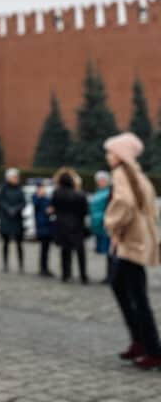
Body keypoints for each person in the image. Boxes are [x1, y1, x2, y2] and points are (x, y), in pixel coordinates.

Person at [103, 132, 161, 370]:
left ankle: (153, 349)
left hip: (129, 244)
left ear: (120, 154)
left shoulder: (121, 174)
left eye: (110, 151)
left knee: (137, 297)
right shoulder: (136, 174)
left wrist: (111, 223)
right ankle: (140, 341)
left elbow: (124, 204)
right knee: (122, 288)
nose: (107, 156)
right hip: (135, 243)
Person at [51, 169, 89, 283]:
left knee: (65, 252)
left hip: (62, 225)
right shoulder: (79, 194)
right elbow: (85, 210)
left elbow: (54, 208)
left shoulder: (56, 193)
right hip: (77, 225)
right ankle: (83, 275)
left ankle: (65, 274)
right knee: (80, 252)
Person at [0, 168, 25, 273]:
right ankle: (5, 264)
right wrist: (8, 209)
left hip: (17, 219)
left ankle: (21, 265)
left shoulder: (19, 189)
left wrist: (16, 209)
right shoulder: (3, 189)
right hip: (6, 219)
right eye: (14, 177)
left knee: (19, 244)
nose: (16, 179)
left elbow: (23, 202)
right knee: (6, 243)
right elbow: (0, 201)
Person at [89, 170, 112, 283]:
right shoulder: (98, 192)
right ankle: (109, 275)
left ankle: (112, 276)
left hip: (107, 226)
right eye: (98, 180)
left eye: (101, 180)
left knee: (110, 253)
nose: (99, 182)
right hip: (99, 226)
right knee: (107, 252)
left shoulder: (109, 193)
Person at [32, 180, 54, 277]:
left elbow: (50, 209)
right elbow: (36, 205)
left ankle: (45, 268)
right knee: (43, 249)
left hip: (48, 226)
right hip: (42, 226)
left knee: (46, 249)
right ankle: (42, 268)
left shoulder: (46, 198)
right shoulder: (36, 197)